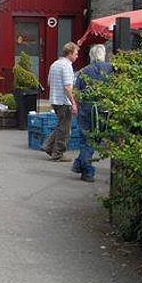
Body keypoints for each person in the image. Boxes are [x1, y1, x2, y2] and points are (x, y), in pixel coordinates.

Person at [72, 44, 114, 182]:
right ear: (103, 55)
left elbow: (76, 91)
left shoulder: (84, 71)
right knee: (94, 139)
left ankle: (84, 168)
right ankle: (83, 168)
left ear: (91, 56)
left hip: (86, 109)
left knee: (87, 139)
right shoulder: (110, 69)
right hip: (103, 109)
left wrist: (76, 104)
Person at [42, 42, 80, 162]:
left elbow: (48, 82)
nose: (77, 56)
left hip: (54, 99)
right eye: (76, 53)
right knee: (65, 129)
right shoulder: (67, 66)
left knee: (61, 125)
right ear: (69, 53)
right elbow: (68, 87)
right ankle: (58, 153)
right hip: (64, 101)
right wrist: (73, 102)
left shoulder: (55, 64)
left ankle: (48, 146)